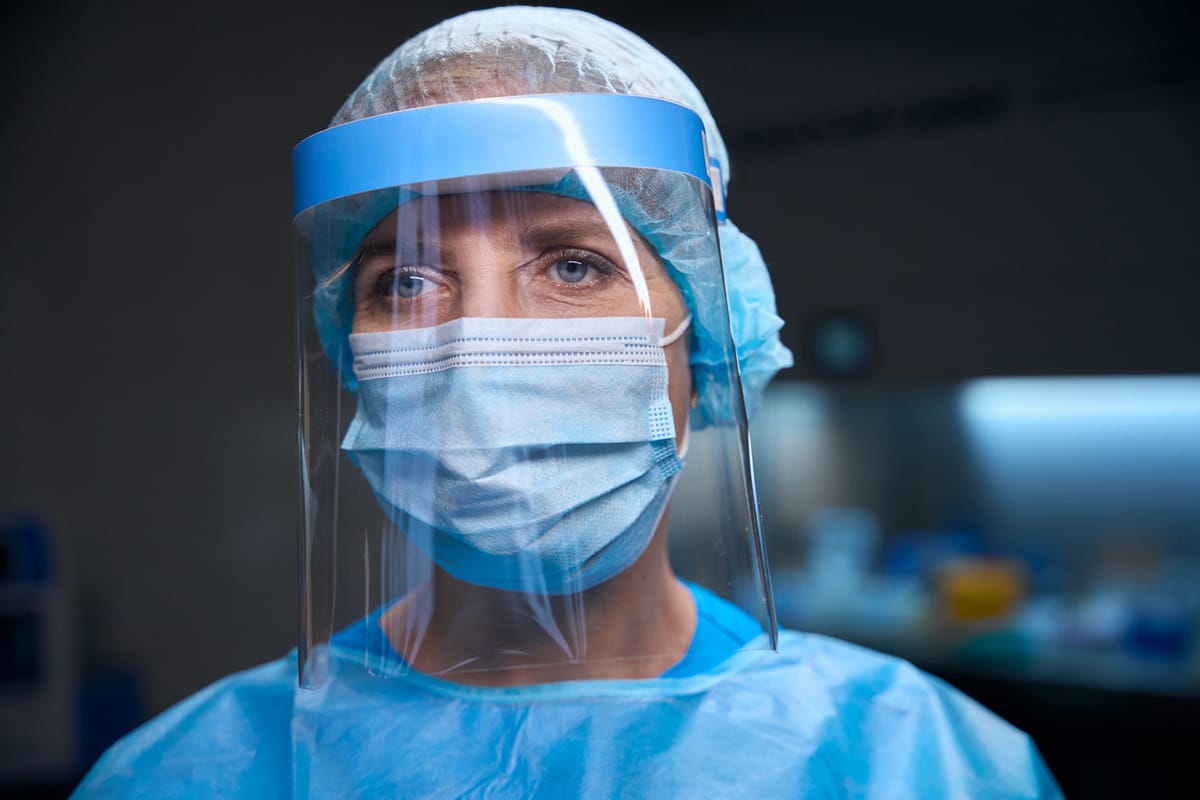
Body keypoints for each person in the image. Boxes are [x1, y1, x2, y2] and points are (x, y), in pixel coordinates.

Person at [74, 6, 1063, 798]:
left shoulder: (917, 761)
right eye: (407, 281)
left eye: (575, 263)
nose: (474, 349)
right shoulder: (194, 772)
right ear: (346, 348)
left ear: (710, 334)